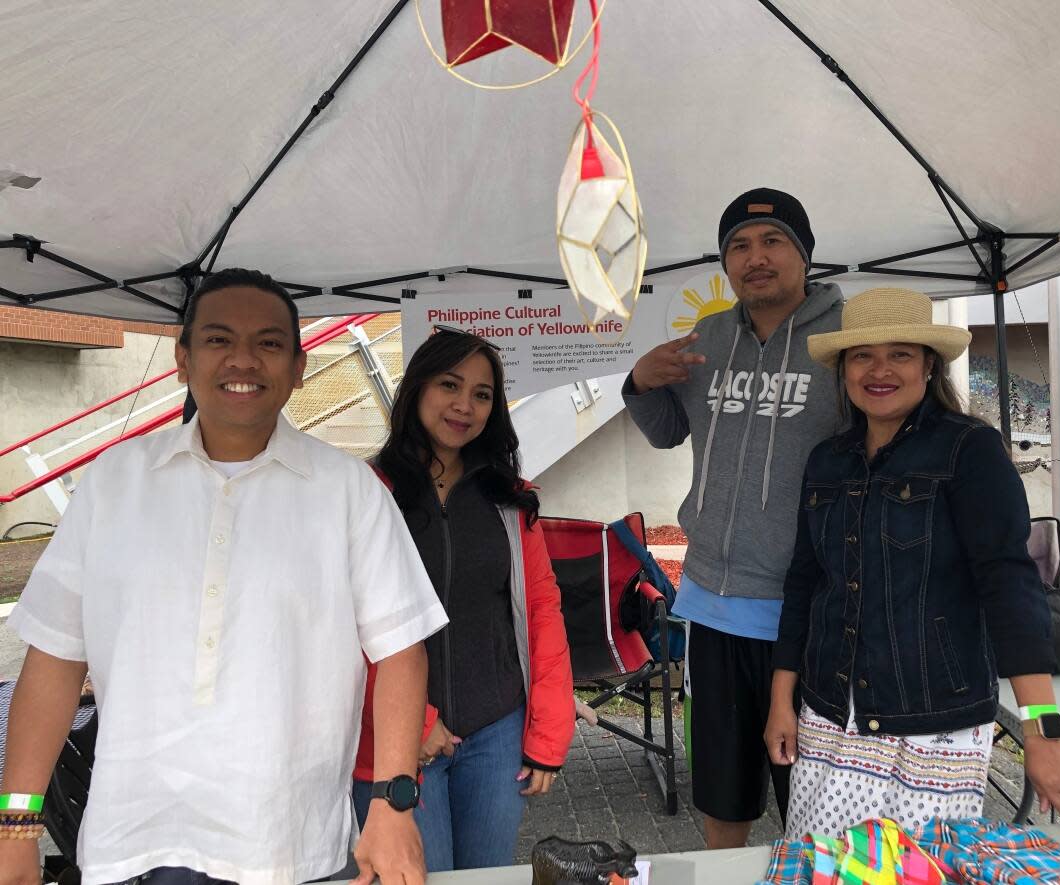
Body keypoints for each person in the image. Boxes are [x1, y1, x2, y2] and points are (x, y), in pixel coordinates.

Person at [0, 268, 447, 885]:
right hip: (135, 839)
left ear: (298, 365)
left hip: (289, 842)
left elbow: (400, 649)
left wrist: (393, 805)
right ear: (182, 359)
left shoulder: (349, 491)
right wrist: (16, 824)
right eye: (217, 339)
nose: (243, 359)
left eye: (269, 343)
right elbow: (53, 656)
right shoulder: (114, 482)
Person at [764, 287, 1060, 838]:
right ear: (843, 369)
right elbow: (804, 585)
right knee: (826, 869)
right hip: (829, 714)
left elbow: (1009, 587)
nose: (879, 370)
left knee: (922, 871)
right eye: (863, 355)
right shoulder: (827, 460)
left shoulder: (970, 450)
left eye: (901, 354)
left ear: (928, 364)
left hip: (933, 722)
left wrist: (1044, 731)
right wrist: (781, 701)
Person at [623, 188, 843, 848]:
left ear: (803, 254)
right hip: (714, 607)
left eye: (774, 241)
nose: (756, 258)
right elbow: (666, 432)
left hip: (808, 612)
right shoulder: (708, 339)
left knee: (812, 804)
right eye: (740, 247)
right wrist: (640, 381)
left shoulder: (844, 342)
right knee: (723, 794)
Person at [352, 327, 575, 872]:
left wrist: (548, 732)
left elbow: (542, 612)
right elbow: (344, 625)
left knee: (489, 878)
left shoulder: (509, 499)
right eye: (450, 384)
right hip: (399, 741)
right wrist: (416, 722)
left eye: (482, 394)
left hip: (496, 733)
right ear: (417, 390)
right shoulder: (367, 494)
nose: (465, 405)